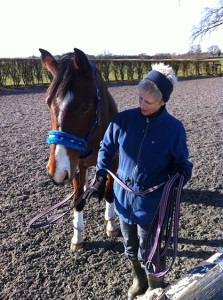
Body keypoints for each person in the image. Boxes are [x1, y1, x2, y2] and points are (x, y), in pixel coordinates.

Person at [84, 63, 193, 300]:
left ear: (163, 102)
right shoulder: (123, 120)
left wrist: (182, 175)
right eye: (140, 98)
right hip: (124, 202)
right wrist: (102, 172)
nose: (141, 105)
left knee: (151, 250)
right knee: (130, 245)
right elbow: (107, 146)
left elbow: (182, 164)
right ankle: (138, 279)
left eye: (148, 102)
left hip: (152, 206)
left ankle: (155, 286)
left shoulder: (174, 129)